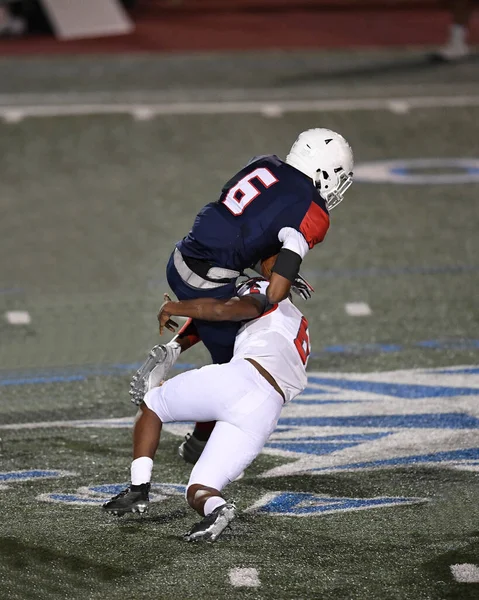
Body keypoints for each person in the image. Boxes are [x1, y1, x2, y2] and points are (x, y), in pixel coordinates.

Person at [129, 127, 353, 464]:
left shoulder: (266, 163)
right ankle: (195, 437)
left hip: (183, 257)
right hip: (207, 277)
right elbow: (274, 291)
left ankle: (176, 355)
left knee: (234, 317)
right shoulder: (313, 210)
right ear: (325, 172)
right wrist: (277, 285)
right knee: (237, 364)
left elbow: (252, 232)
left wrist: (277, 272)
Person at [104, 273, 310, 542]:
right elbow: (219, 318)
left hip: (242, 379)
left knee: (152, 405)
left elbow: (224, 311)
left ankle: (138, 489)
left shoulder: (264, 292)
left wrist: (174, 307)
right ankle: (218, 510)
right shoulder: (298, 323)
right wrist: (178, 344)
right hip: (265, 411)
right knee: (200, 489)